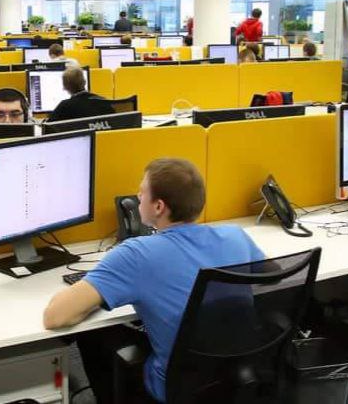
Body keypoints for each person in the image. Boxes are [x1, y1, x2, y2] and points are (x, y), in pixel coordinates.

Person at [43, 158, 265, 403]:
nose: (137, 197)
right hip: (236, 376)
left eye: (142, 192)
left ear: (159, 207)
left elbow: (55, 317)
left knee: (93, 333)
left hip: (174, 388)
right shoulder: (234, 235)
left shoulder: (136, 254)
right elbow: (272, 274)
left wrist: (95, 298)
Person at [48, 67, 115, 122]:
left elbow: (48, 127)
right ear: (85, 82)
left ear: (65, 87)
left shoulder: (64, 107)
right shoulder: (104, 102)